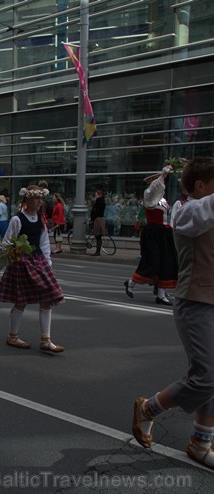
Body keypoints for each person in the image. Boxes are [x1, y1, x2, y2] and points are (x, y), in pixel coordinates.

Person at [132, 157, 214, 468]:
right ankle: (148, 409)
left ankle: (201, 441)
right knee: (205, 377)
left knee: (212, 376)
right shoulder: (186, 210)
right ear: (200, 187)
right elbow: (203, 214)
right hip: (195, 300)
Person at [0, 185, 65, 353]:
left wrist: (48, 264)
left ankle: (46, 339)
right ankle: (12, 336)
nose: (40, 201)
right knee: (21, 301)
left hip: (38, 261)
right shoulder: (17, 219)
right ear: (27, 199)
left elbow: (44, 243)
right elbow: (6, 242)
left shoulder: (41, 219)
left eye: (41, 199)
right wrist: (16, 251)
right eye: (36, 198)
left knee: (47, 297)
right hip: (22, 263)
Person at [123, 168, 179, 305]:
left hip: (165, 233)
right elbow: (153, 188)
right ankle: (131, 283)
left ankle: (161, 295)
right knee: (152, 261)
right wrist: (163, 175)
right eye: (160, 185)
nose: (162, 187)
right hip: (153, 232)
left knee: (166, 263)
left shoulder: (163, 200)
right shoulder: (150, 199)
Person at [89, 189, 106, 256]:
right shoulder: (101, 202)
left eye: (96, 195)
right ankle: (98, 251)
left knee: (98, 236)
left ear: (100, 195)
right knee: (98, 236)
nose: (95, 196)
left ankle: (98, 251)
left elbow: (96, 211)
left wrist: (92, 218)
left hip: (97, 219)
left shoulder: (99, 202)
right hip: (98, 218)